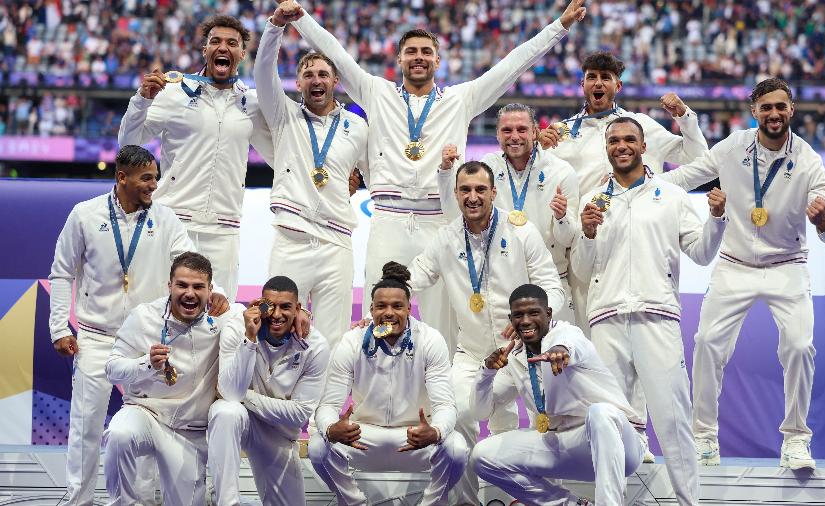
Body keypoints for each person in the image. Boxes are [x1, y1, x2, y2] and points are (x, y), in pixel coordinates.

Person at [278, 0, 587, 351]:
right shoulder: (376, 92)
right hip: (389, 221)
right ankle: (370, 404)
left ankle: (441, 405)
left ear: (438, 61)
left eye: (426, 51)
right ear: (399, 59)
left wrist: (559, 27)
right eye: (411, 51)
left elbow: (513, 65)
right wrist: (299, 17)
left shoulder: (461, 99)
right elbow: (334, 51)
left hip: (440, 222)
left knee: (442, 327)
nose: (419, 57)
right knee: (377, 319)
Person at [659, 78, 825, 470]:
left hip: (787, 265)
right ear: (753, 111)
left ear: (791, 109)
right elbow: (687, 176)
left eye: (781, 106)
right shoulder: (733, 147)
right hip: (734, 263)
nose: (774, 114)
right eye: (766, 107)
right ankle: (704, 438)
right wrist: (643, 185)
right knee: (707, 342)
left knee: (798, 348)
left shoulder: (808, 159)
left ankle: (796, 440)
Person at [48, 145, 228, 506]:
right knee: (86, 426)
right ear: (122, 178)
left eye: (156, 177)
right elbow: (62, 272)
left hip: (148, 340)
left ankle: (141, 501)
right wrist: (59, 327)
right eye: (147, 178)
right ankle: (78, 499)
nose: (154, 185)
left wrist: (217, 293)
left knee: (144, 420)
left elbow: (188, 259)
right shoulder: (84, 215)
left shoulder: (165, 218)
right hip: (96, 338)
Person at [571, 117, 728, 505]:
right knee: (606, 421)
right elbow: (581, 268)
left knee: (673, 419)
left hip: (656, 316)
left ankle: (688, 501)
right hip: (606, 319)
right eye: (614, 141)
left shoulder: (670, 195)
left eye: (629, 140)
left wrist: (718, 219)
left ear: (643, 146)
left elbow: (702, 252)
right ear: (605, 148)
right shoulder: (592, 200)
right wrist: (587, 235)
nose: (621, 146)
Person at [408, 161, 565, 504]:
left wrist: (533, 320)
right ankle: (466, 501)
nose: (473, 197)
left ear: (494, 192)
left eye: (481, 189)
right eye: (466, 190)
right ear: (456, 194)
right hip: (474, 354)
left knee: (540, 424)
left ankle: (528, 499)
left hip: (524, 352)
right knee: (458, 415)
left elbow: (554, 288)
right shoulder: (446, 238)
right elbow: (414, 276)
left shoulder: (521, 231)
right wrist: (384, 299)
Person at [118, 14, 275, 301]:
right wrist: (141, 100)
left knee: (218, 316)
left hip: (224, 228)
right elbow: (128, 143)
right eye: (215, 41)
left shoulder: (251, 103)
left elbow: (280, 159)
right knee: (157, 309)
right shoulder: (172, 91)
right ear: (205, 50)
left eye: (232, 43)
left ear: (242, 53)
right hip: (174, 220)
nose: (223, 47)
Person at [309, 262, 468, 506]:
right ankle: (353, 502)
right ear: (371, 310)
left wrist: (435, 432)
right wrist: (331, 428)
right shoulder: (352, 342)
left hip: (413, 437)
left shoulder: (429, 339)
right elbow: (328, 404)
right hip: (364, 436)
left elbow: (446, 404)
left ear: (408, 308)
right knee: (319, 445)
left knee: (456, 448)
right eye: (381, 306)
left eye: (397, 306)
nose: (389, 313)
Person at [255, 5, 368, 345]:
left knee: (332, 337)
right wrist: (275, 26)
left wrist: (354, 182)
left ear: (336, 80)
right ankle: (271, 397)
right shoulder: (283, 114)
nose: (316, 80)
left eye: (323, 74)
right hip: (292, 239)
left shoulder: (357, 127)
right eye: (309, 74)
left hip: (337, 243)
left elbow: (373, 171)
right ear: (298, 82)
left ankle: (329, 401)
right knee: (274, 326)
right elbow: (262, 72)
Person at [471, 284, 644, 506]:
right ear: (510, 319)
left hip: (619, 444)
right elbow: (480, 411)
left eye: (533, 313)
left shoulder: (566, 333)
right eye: (518, 315)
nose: (525, 321)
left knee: (601, 413)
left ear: (549, 313)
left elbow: (571, 343)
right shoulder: (515, 356)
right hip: (565, 445)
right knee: (482, 456)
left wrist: (561, 349)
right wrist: (487, 372)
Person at [103, 252, 241, 505]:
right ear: (170, 286)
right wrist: (145, 364)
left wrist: (303, 315)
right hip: (146, 414)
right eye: (182, 285)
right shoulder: (143, 316)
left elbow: (265, 313)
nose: (190, 293)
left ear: (211, 290)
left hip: (188, 432)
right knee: (119, 434)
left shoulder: (223, 318)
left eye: (198, 286)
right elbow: (112, 369)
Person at [439, 103, 580, 323]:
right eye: (507, 130)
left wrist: (562, 217)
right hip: (500, 284)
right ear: (497, 134)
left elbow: (569, 238)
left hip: (550, 282)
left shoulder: (561, 172)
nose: (514, 136)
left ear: (535, 132)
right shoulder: (487, 167)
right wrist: (446, 173)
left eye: (522, 129)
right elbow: (455, 216)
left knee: (553, 354)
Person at [208, 276, 330, 505]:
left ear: (298, 309)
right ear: (259, 304)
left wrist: (245, 396)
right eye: (270, 306)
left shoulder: (316, 346)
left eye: (285, 307)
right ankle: (225, 501)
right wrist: (250, 338)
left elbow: (300, 414)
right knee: (226, 412)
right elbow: (231, 394)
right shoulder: (238, 327)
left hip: (279, 435)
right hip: (242, 421)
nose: (276, 315)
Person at [538, 51, 708, 198]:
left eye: (605, 77)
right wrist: (537, 149)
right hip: (588, 229)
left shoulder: (642, 124)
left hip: (641, 224)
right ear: (583, 84)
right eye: (591, 77)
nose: (598, 83)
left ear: (618, 86)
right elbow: (539, 182)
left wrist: (684, 117)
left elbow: (697, 157)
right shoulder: (560, 133)